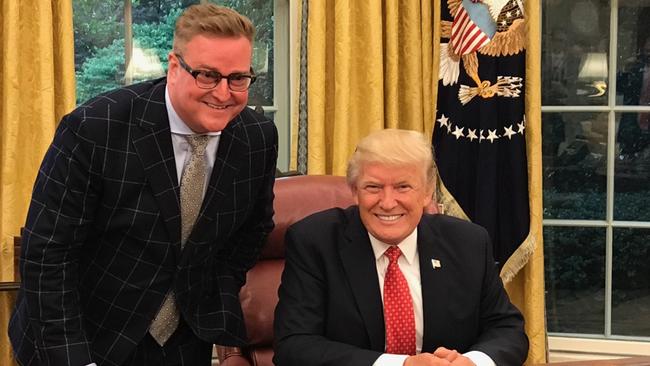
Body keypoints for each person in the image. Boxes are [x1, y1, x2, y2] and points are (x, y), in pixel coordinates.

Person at [9, 4, 277, 366]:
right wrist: (72, 358)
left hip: (183, 342)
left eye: (238, 78)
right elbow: (47, 255)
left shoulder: (257, 138)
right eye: (208, 75)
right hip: (81, 336)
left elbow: (251, 232)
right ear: (173, 66)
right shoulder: (94, 128)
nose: (223, 92)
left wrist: (217, 307)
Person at [273, 129, 527, 366]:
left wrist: (473, 361)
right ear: (354, 191)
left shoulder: (468, 242)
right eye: (373, 187)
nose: (387, 202)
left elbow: (506, 328)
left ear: (427, 192)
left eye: (402, 187)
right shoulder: (315, 241)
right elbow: (294, 345)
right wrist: (400, 364)